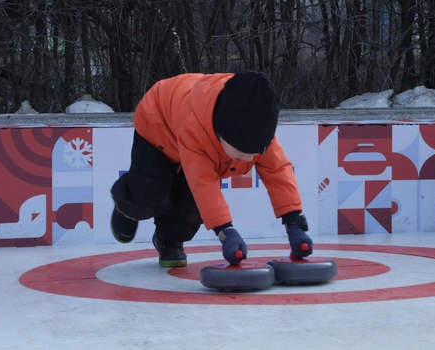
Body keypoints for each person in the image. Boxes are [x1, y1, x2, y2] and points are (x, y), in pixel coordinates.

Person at [109, 70, 313, 267]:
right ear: (222, 132)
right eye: (242, 151)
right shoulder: (195, 128)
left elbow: (278, 172)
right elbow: (203, 184)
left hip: (187, 135)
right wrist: (226, 233)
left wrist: (294, 223)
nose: (248, 158)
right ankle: (126, 205)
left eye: (255, 153)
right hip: (157, 125)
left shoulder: (258, 130)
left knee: (189, 211)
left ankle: (168, 240)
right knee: (147, 195)